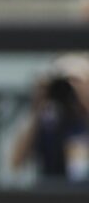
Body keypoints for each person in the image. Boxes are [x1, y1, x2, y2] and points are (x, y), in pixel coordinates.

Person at [11, 54, 89, 183]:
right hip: (49, 196)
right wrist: (38, 106)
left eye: (75, 81)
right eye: (64, 82)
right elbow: (16, 162)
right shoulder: (48, 121)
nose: (68, 88)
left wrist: (84, 102)